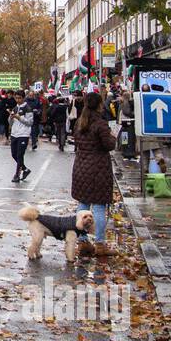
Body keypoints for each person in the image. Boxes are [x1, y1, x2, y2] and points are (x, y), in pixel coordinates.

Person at [70, 91, 116, 249]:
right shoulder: (101, 124)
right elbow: (109, 145)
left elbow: (76, 141)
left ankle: (82, 241)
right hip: (98, 169)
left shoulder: (79, 122)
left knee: (83, 204)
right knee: (98, 206)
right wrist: (113, 136)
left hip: (81, 167)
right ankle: (100, 243)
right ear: (99, 105)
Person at [9, 90, 34, 182]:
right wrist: (11, 118)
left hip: (24, 134)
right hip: (14, 133)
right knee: (13, 154)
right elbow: (10, 122)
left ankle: (17, 175)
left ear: (23, 98)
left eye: (19, 98)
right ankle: (25, 169)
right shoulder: (15, 108)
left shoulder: (28, 108)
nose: (18, 100)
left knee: (20, 155)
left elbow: (30, 122)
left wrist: (19, 117)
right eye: (16, 98)